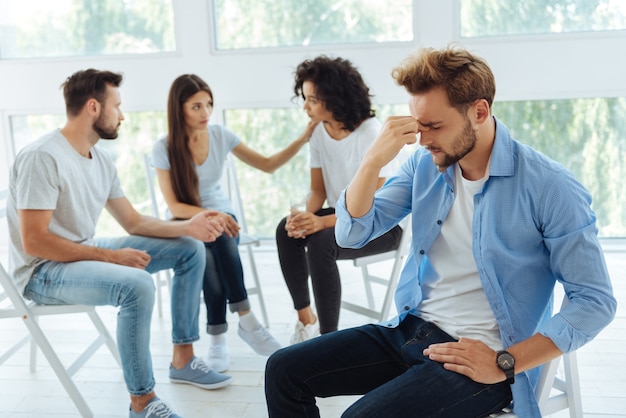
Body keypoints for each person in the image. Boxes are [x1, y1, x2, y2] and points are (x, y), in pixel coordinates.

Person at [265, 45, 617, 417]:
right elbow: (352, 234)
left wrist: (505, 362)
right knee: (283, 370)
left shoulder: (549, 186)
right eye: (419, 126)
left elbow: (594, 301)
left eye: (434, 126)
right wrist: (371, 160)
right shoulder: (424, 165)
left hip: (478, 357)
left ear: (479, 111)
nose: (423, 139)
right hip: (412, 330)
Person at [7, 69, 233, 418]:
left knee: (188, 249)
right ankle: (142, 403)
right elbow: (35, 242)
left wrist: (189, 225)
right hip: (43, 272)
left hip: (81, 251)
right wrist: (110, 257)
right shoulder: (43, 156)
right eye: (118, 106)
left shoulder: (100, 159)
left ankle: (183, 359)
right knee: (138, 286)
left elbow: (134, 221)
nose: (123, 115)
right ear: (94, 107)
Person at [152, 73, 312, 372]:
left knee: (220, 238)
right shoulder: (163, 148)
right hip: (186, 221)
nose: (206, 113)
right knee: (208, 251)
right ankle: (244, 323)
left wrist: (302, 138)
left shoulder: (221, 135)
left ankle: (221, 337)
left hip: (224, 219)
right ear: (179, 108)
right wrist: (210, 216)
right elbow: (174, 205)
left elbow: (267, 165)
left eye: (209, 104)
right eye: (196, 106)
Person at [276, 56, 403, 344]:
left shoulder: (371, 133)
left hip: (382, 223)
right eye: (304, 98)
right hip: (340, 214)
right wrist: (304, 219)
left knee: (322, 243)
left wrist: (320, 223)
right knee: (286, 230)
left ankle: (326, 342)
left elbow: (376, 203)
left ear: (333, 98)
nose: (305, 106)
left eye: (311, 100)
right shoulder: (320, 131)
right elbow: (318, 192)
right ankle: (305, 319)